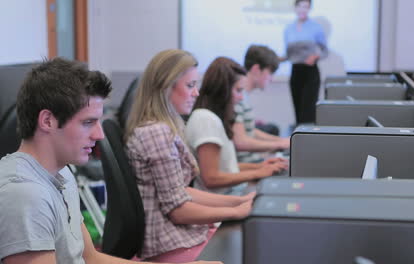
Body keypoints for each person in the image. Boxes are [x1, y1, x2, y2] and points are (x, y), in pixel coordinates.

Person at [0, 57, 219, 264]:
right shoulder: (24, 195)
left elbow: (90, 258)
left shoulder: (62, 174)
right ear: (47, 120)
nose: (99, 135)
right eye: (88, 122)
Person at [125, 50, 255, 263]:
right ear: (166, 88)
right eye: (190, 85)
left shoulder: (164, 127)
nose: (196, 93)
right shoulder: (156, 132)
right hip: (169, 242)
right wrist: (234, 212)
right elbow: (178, 210)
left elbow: (182, 192)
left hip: (179, 236)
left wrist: (238, 202)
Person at [185, 57, 288, 195]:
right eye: (238, 90)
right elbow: (211, 178)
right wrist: (258, 172)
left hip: (232, 193)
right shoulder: (205, 119)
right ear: (222, 91)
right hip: (223, 202)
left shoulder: (214, 118)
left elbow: (227, 168)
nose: (241, 98)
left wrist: (260, 166)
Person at [233, 45, 290, 163]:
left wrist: (280, 141)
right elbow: (241, 141)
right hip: (248, 165)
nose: (272, 79)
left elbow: (250, 131)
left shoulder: (244, 95)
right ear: (256, 69)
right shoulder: (239, 96)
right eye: (270, 73)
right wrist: (279, 144)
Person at [283, 0, 328, 124]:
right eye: (300, 6)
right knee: (298, 110)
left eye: (306, 7)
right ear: (295, 8)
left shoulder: (315, 27)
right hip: (296, 71)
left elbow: (325, 51)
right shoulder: (289, 28)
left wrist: (315, 56)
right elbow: (288, 55)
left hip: (310, 72)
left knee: (308, 112)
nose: (303, 9)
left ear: (309, 9)